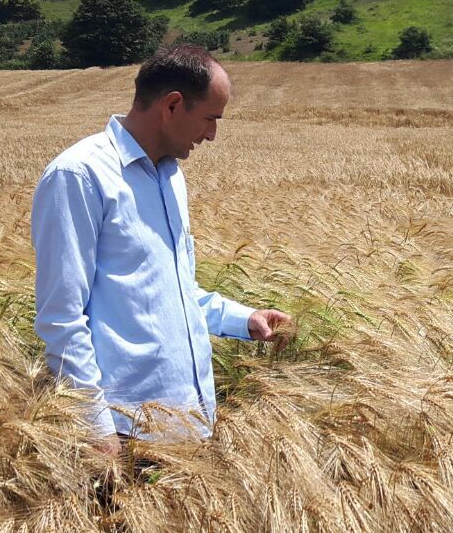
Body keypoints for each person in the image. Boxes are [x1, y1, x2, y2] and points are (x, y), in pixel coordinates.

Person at [32, 44, 292, 458]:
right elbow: (62, 317)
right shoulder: (79, 175)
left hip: (192, 421)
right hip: (125, 432)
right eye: (210, 118)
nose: (211, 135)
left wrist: (246, 319)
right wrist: (95, 427)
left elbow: (171, 290)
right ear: (172, 105)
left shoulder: (170, 177)